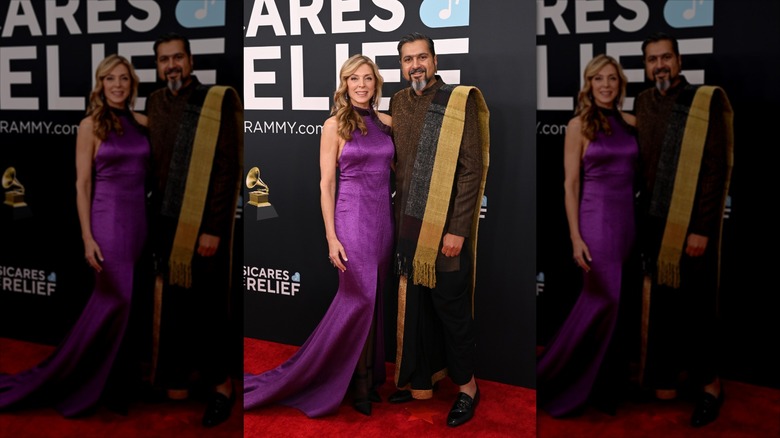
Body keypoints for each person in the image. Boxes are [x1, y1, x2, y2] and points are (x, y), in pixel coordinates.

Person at [244, 54, 394, 417]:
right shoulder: (334, 126)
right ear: (344, 85)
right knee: (360, 299)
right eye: (353, 79)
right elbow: (327, 185)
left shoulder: (389, 123)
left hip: (383, 222)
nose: (361, 85)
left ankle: (371, 377)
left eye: (367, 78)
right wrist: (331, 236)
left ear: (376, 84)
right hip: (351, 220)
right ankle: (357, 384)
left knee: (373, 304)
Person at [0, 55, 149, 416]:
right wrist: (87, 236)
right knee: (116, 300)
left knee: (130, 306)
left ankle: (116, 383)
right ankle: (80, 379)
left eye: (124, 78)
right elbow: (82, 184)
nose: (117, 85)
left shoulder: (144, 123)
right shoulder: (90, 126)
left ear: (132, 85)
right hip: (107, 221)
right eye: (110, 78)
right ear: (100, 84)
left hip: (139, 221)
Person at [387, 32, 490, 428]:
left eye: (422, 57)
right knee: (415, 309)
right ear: (401, 65)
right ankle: (420, 383)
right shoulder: (397, 102)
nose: (415, 65)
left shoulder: (456, 101)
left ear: (434, 60)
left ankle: (468, 389)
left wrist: (458, 229)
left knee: (451, 310)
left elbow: (471, 171)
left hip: (446, 232)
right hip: (408, 229)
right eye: (407, 59)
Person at [635, 32, 733, 428]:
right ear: (645, 66)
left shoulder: (701, 101)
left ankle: (711, 386)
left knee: (697, 309)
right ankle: (669, 379)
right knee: (662, 308)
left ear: (678, 61)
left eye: (665, 58)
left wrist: (702, 229)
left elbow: (715, 170)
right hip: (653, 224)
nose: (659, 65)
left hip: (691, 227)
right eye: (652, 59)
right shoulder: (642, 102)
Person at [146, 32, 242, 428]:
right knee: (176, 308)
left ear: (190, 61)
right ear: (158, 66)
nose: (171, 65)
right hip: (165, 223)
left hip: (203, 227)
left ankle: (222, 387)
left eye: (178, 58)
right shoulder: (153, 102)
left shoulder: (212, 100)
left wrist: (215, 228)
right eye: (164, 59)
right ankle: (184, 377)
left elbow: (226, 168)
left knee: (208, 310)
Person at [536, 54, 638, 417]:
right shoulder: (579, 125)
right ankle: (557, 378)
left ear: (620, 83)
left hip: (627, 222)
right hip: (595, 222)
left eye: (612, 78)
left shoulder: (631, 122)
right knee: (603, 300)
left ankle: (607, 387)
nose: (606, 85)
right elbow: (570, 184)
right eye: (599, 79)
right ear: (589, 85)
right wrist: (576, 237)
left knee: (618, 307)